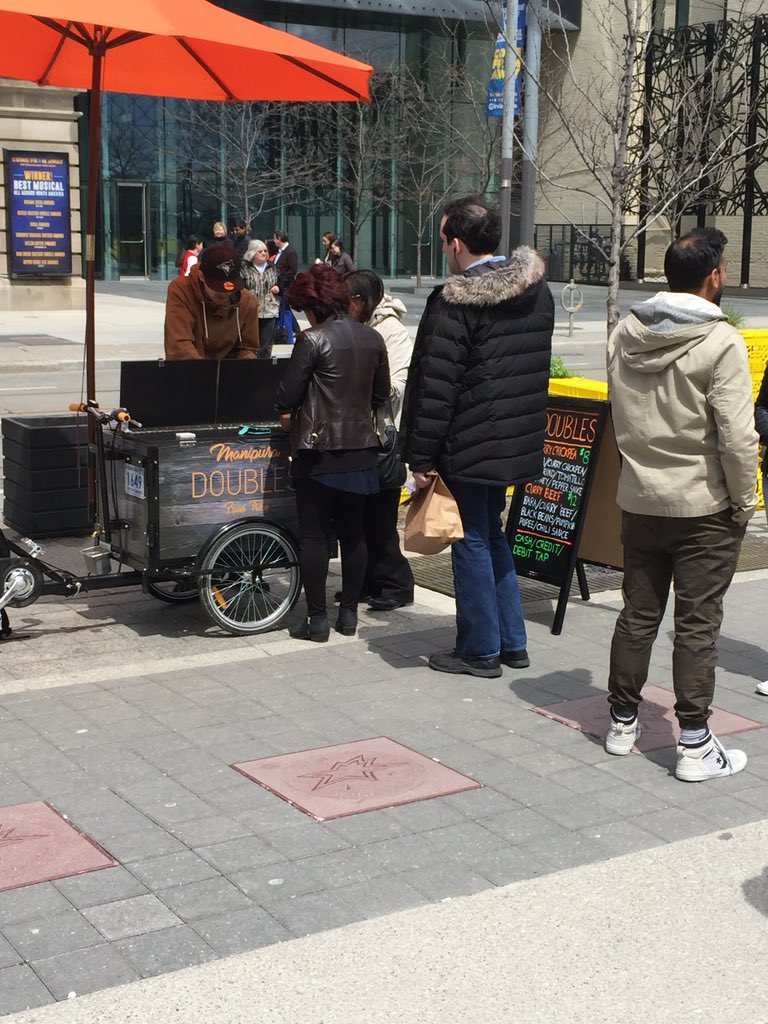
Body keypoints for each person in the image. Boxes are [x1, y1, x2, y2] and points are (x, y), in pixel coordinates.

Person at [604, 227, 759, 782]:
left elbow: (619, 413)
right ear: (714, 275)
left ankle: (622, 722)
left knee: (638, 614)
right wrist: (746, 501)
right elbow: (737, 438)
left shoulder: (625, 332)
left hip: (640, 498)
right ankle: (694, 744)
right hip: (703, 506)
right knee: (697, 625)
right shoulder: (721, 341)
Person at [401, 196, 553, 679]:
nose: (443, 249)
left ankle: (479, 649)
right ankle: (511, 640)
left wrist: (420, 456)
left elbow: (436, 386)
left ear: (458, 244)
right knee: (490, 533)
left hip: (468, 439)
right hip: (514, 438)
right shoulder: (536, 290)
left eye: (443, 240)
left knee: (470, 539)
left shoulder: (456, 300)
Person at [275, 263, 390, 643]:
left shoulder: (312, 340)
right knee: (354, 535)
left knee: (314, 537)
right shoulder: (373, 339)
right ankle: (349, 615)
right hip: (361, 451)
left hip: (318, 451)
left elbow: (287, 396)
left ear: (313, 307)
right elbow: (381, 394)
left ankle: (318, 620)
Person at [345, 268, 415, 610]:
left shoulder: (391, 331)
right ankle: (366, 582)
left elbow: (397, 385)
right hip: (358, 433)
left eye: (346, 300)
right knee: (359, 518)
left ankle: (397, 584)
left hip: (383, 435)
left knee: (381, 519)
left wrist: (365, 383)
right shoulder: (355, 326)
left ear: (361, 301)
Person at [164, 243, 259, 360]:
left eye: (230, 288)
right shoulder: (182, 290)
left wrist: (245, 364)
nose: (225, 294)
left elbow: (248, 348)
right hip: (191, 367)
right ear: (201, 277)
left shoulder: (247, 300)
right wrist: (202, 370)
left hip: (228, 369)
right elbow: (179, 346)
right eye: (217, 288)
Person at [241, 238, 279, 360]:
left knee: (266, 344)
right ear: (252, 253)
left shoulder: (272, 267)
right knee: (252, 343)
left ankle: (264, 366)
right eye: (260, 251)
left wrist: (278, 287)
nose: (263, 253)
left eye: (265, 251)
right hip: (251, 311)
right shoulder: (244, 268)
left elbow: (282, 282)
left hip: (270, 310)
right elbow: (240, 287)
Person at [272, 228, 300, 342]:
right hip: (278, 285)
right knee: (282, 310)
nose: (274, 241)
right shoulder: (280, 252)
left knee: (285, 311)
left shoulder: (290, 252)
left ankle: (288, 337)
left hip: (285, 287)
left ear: (279, 238)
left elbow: (292, 270)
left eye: (275, 238)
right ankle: (289, 333)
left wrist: (281, 283)